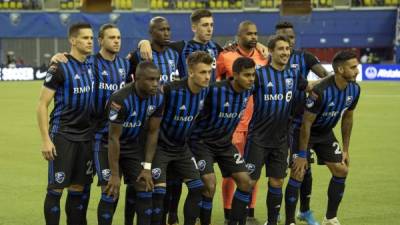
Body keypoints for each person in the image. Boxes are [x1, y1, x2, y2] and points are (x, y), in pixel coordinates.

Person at [49, 23, 132, 225]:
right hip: (89, 133)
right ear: (100, 40)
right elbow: (72, 61)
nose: (116, 41)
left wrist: (145, 43)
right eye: (112, 37)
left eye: (119, 37)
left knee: (104, 186)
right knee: (80, 186)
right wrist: (57, 58)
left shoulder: (126, 65)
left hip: (113, 134)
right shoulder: (90, 63)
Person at [286, 50, 361, 225]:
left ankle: (330, 218)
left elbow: (347, 118)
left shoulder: (355, 90)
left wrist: (346, 150)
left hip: (325, 133)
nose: (357, 70)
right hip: (301, 130)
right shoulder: (321, 91)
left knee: (341, 169)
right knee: (298, 172)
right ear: (341, 70)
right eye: (353, 67)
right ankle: (290, 221)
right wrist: (303, 155)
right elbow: (306, 124)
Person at [244, 35, 308, 225]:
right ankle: (238, 219)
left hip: (281, 139)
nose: (285, 52)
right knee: (248, 182)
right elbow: (242, 92)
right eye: (280, 49)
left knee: (277, 182)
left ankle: (271, 222)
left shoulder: (294, 75)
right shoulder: (260, 74)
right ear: (270, 52)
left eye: (287, 49)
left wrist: (331, 80)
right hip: (258, 138)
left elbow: (307, 88)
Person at [37, 22, 94, 225]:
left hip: (86, 137)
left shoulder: (90, 64)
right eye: (85, 38)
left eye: (91, 38)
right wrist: (46, 140)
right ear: (73, 40)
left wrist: (142, 42)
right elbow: (42, 105)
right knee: (56, 188)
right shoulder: (58, 66)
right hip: (63, 135)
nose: (89, 41)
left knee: (78, 189)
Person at [275, 21, 329, 225]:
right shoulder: (267, 58)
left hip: (299, 122)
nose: (287, 39)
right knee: (277, 169)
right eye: (282, 35)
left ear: (294, 38)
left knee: (302, 167)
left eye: (290, 35)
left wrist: (313, 95)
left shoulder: (304, 57)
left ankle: (304, 211)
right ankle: (276, 211)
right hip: (275, 122)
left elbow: (326, 77)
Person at [190, 57, 255, 225]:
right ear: (235, 74)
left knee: (246, 182)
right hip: (203, 143)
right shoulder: (214, 90)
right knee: (210, 185)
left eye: (253, 75)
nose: (251, 79)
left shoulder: (250, 89)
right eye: (247, 75)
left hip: (225, 144)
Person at [128, 16, 180, 225]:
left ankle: (170, 215)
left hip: (169, 126)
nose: (166, 33)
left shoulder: (175, 53)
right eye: (161, 30)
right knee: (139, 180)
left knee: (171, 177)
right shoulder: (140, 55)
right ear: (151, 33)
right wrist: (141, 43)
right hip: (144, 126)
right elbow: (128, 87)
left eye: (168, 29)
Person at [150, 51, 212, 225]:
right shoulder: (170, 90)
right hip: (160, 148)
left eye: (209, 72)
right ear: (191, 72)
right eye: (202, 72)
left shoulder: (205, 92)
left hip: (181, 149)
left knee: (197, 187)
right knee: (159, 193)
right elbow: (152, 120)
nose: (207, 77)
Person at [216, 20, 268, 225]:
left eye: (256, 33)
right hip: (234, 125)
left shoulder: (263, 57)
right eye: (249, 34)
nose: (254, 37)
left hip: (257, 125)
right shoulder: (225, 56)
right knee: (231, 172)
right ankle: (229, 212)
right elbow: (216, 86)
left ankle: (250, 211)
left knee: (253, 171)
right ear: (239, 36)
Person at [104, 61, 164, 225]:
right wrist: (115, 175)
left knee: (145, 188)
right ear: (137, 79)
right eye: (150, 79)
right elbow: (113, 138)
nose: (155, 84)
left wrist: (146, 167)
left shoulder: (158, 97)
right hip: (107, 146)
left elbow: (153, 132)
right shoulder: (120, 99)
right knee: (110, 190)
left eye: (157, 79)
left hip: (132, 146)